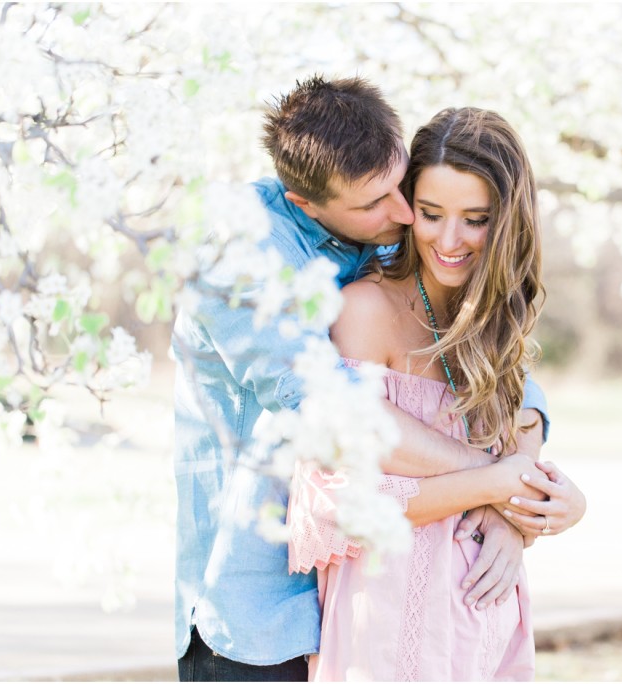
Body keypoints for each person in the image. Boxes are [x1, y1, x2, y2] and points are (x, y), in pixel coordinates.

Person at [171, 76, 585, 682]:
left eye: (400, 187)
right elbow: (333, 412)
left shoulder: (385, 239)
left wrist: (515, 501)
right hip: (258, 607)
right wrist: (504, 486)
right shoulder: (243, 256)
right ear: (304, 202)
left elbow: (503, 378)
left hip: (377, 604)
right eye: (374, 203)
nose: (401, 213)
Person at [286, 106, 581, 681]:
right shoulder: (367, 311)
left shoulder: (495, 322)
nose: (450, 240)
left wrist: (530, 515)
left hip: (482, 618)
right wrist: (498, 485)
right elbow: (345, 497)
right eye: (430, 213)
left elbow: (521, 429)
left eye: (476, 218)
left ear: (509, 221)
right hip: (389, 622)